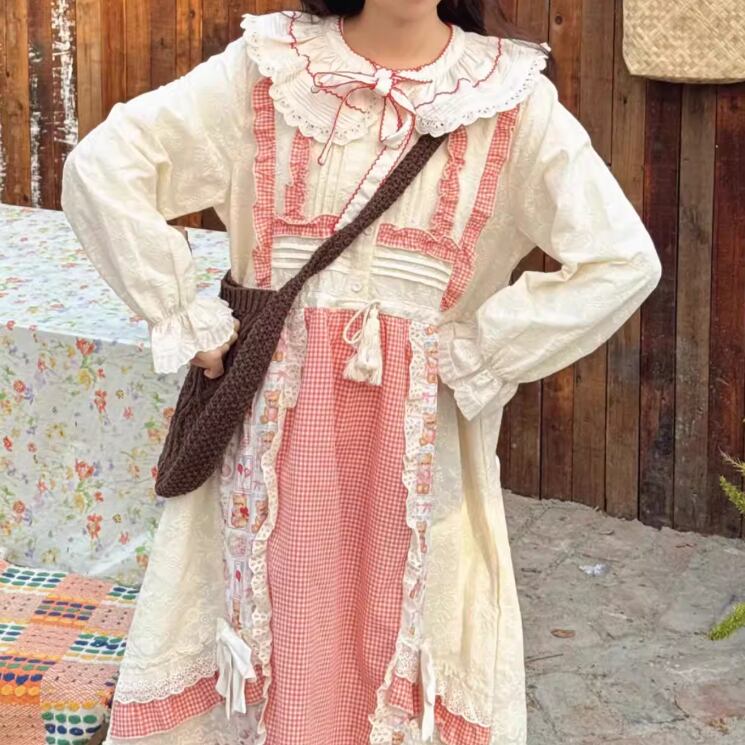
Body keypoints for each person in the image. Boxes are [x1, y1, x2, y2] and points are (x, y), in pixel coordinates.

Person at [60, 2, 662, 744]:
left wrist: (482, 349)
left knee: (408, 633)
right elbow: (104, 167)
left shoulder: (508, 100)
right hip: (270, 445)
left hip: (418, 456)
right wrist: (184, 312)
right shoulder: (271, 69)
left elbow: (619, 259)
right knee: (268, 626)